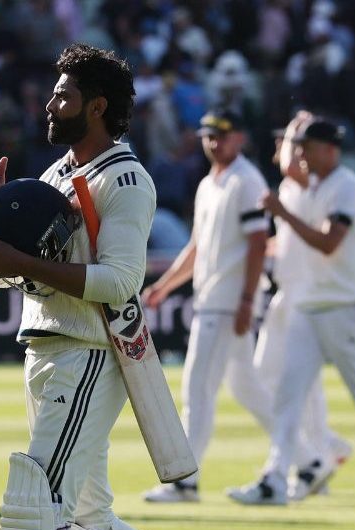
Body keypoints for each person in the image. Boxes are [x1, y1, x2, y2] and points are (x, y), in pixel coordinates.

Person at [0, 44, 242, 530]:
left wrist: (18, 259)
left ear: (95, 106)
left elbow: (119, 282)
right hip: (46, 348)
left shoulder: (126, 179)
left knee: (38, 509)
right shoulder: (57, 176)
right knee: (86, 526)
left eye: (63, 95)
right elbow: (24, 276)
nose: (49, 103)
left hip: (89, 356)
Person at [228, 117, 355, 507]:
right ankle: (275, 479)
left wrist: (282, 213)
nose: (300, 153)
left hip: (346, 306)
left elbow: (330, 243)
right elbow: (296, 204)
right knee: (287, 396)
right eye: (298, 146)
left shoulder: (349, 187)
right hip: (309, 306)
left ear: (330, 150)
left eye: (307, 147)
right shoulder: (313, 187)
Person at [139, 108, 275, 503]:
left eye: (222, 135)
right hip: (213, 299)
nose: (214, 142)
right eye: (208, 135)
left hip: (227, 302)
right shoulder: (207, 184)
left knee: (197, 388)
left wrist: (247, 299)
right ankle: (309, 456)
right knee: (246, 388)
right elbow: (197, 248)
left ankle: (185, 480)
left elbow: (258, 244)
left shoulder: (246, 180)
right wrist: (165, 286)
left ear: (240, 138)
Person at [252, 111, 352, 501]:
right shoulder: (292, 189)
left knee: (298, 382)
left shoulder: (304, 182)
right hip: (287, 292)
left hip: (303, 294)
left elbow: (291, 166)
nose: (284, 149)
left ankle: (316, 456)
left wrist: (296, 132)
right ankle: (322, 449)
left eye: (292, 143)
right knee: (275, 377)